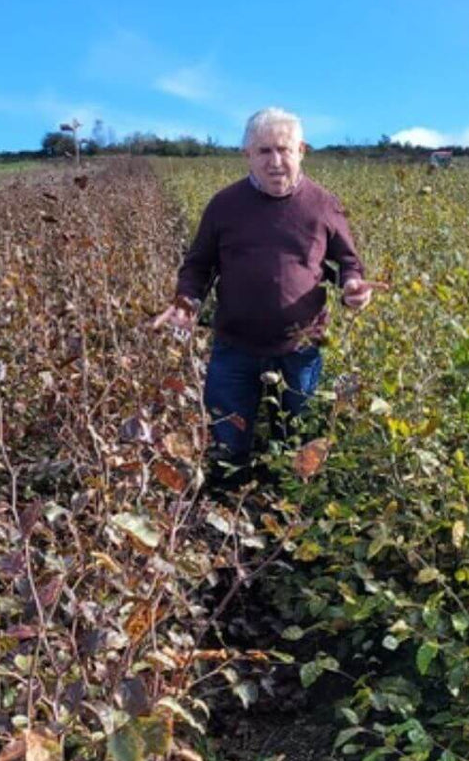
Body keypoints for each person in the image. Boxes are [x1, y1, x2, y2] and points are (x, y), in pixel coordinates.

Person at [153, 107, 385, 484]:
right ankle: (225, 516)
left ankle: (281, 517)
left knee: (294, 446)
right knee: (227, 443)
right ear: (247, 154)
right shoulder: (224, 205)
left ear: (302, 151)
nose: (276, 162)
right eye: (264, 151)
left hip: (301, 350)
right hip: (234, 348)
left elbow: (347, 263)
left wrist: (353, 289)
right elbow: (198, 266)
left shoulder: (324, 204)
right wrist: (186, 302)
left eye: (284, 150)